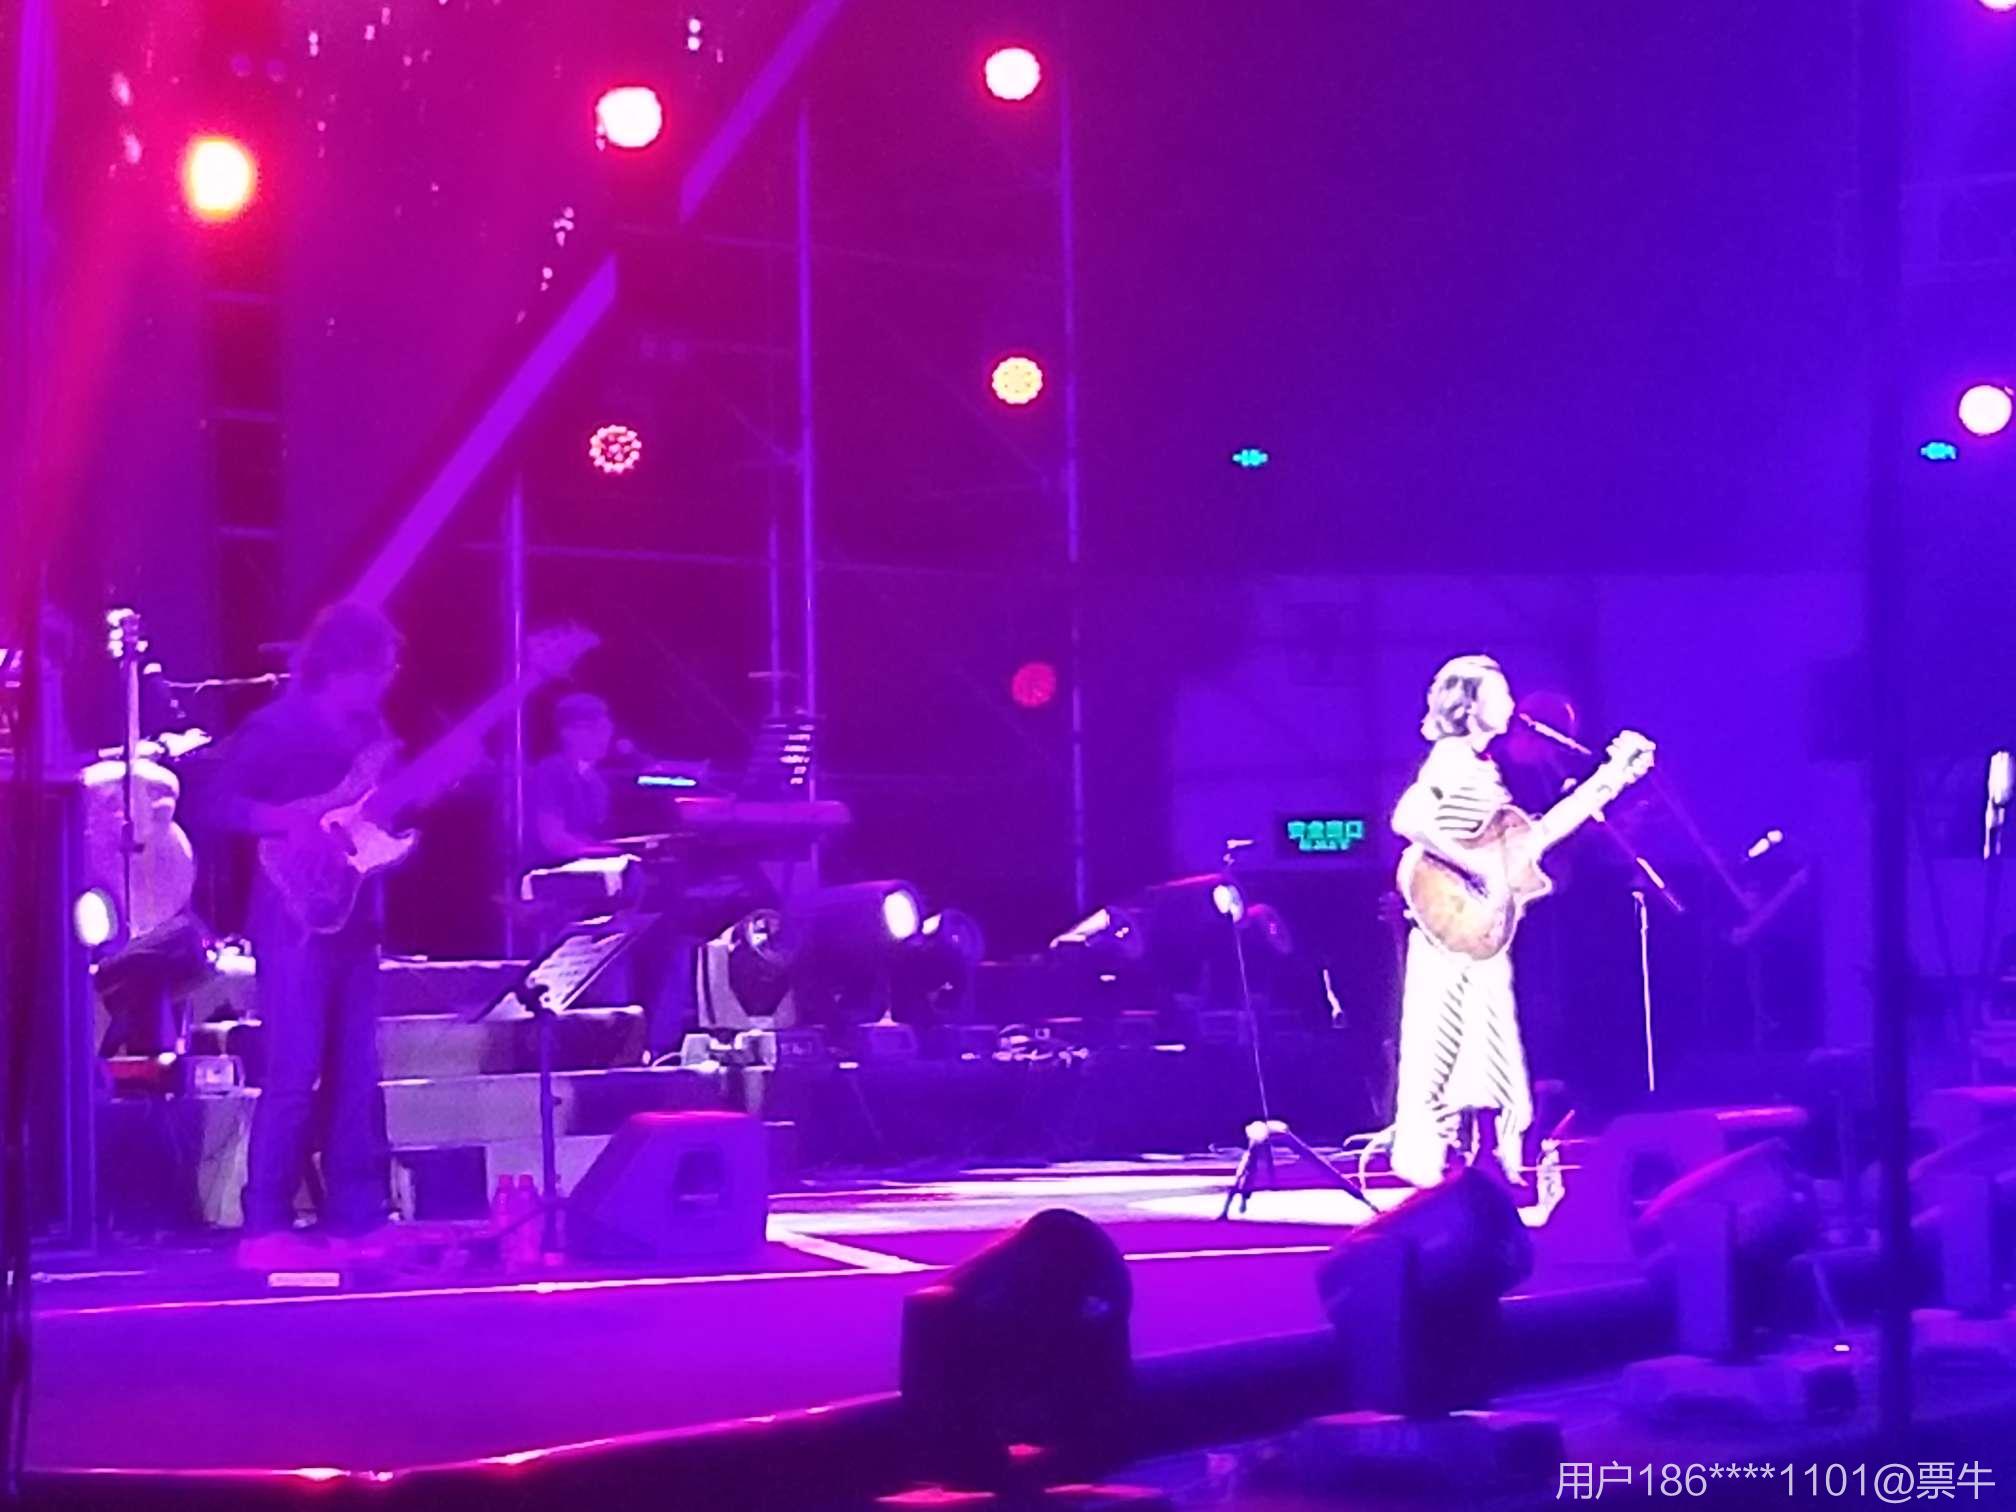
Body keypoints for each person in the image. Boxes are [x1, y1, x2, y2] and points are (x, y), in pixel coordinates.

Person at [207, 601, 401, 1267]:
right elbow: (216, 802)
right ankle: (264, 1225)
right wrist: (287, 820)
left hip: (358, 916)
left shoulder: (374, 731)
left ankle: (355, 1218)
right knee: (294, 1071)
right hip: (289, 919)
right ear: (344, 667)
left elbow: (375, 815)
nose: (387, 681)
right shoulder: (275, 726)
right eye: (379, 669)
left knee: (356, 1074)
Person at [1386, 653, 1534, 1189]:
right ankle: (1460, 1165)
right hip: (1451, 927)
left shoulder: (1479, 764)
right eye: (1501, 695)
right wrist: (1476, 866)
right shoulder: (1451, 759)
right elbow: (1408, 818)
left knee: (1476, 1045)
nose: (1513, 704)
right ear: (1471, 707)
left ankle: (1477, 1163)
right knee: (1459, 1046)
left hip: (1471, 923)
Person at [526, 691, 621, 863]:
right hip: (551, 869)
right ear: (567, 733)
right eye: (594, 729)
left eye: (607, 729)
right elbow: (552, 838)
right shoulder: (551, 771)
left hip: (585, 866)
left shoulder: (596, 782)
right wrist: (605, 853)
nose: (604, 737)